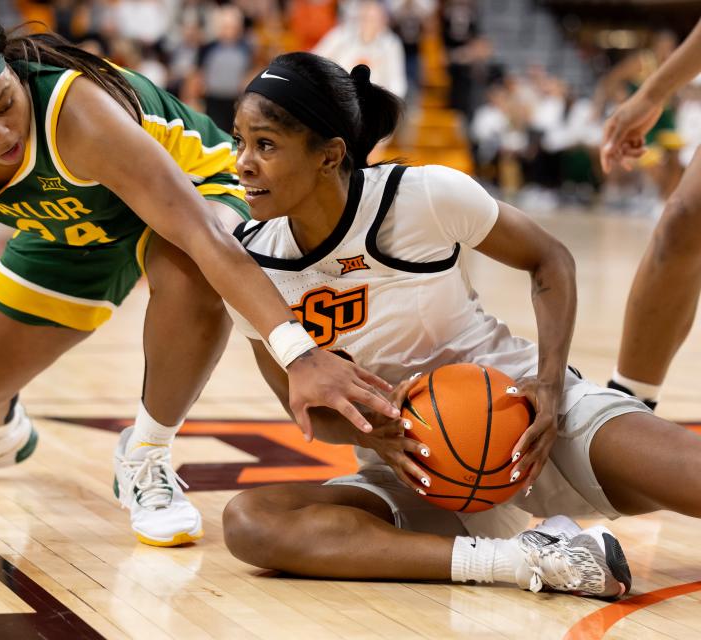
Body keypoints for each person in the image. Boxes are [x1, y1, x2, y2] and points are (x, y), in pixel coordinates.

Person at [0, 4, 401, 547]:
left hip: (189, 192)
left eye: (4, 103)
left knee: (194, 267)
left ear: (11, 71)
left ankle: (145, 456)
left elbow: (201, 234)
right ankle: (1, 436)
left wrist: (300, 352)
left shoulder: (76, 114)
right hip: (75, 225)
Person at [220, 52, 701, 597]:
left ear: (329, 156)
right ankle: (523, 560)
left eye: (265, 144)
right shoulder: (252, 270)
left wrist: (548, 383)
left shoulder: (420, 196)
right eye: (239, 141)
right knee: (250, 521)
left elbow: (550, 260)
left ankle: (546, 510)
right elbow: (307, 409)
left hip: (532, 418)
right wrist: (374, 437)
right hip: (419, 467)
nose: (243, 162)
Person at [601, 19, 701, 410]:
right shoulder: (640, 62)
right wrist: (651, 93)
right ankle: (626, 404)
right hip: (665, 126)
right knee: (683, 216)